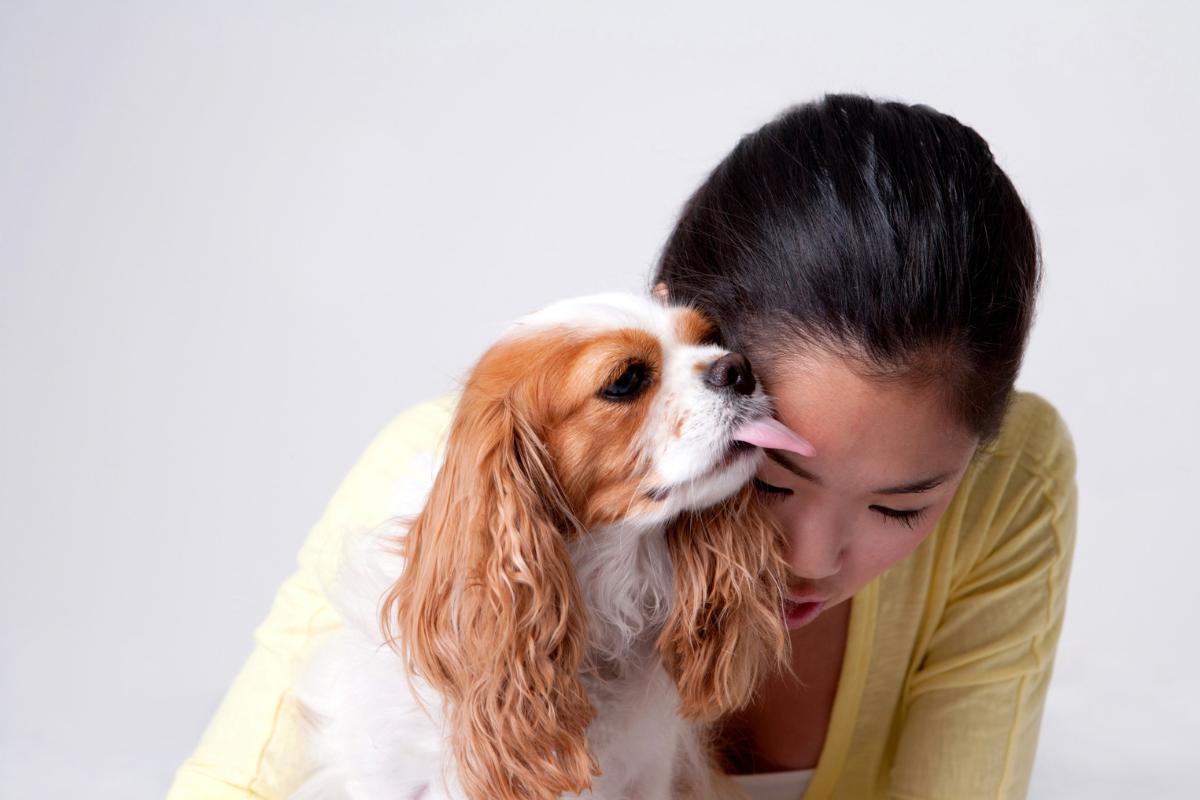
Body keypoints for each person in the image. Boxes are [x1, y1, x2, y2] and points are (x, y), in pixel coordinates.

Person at [166, 94, 1075, 800]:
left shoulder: (1014, 480)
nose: (809, 558)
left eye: (899, 507)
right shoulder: (442, 471)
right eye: (772, 466)